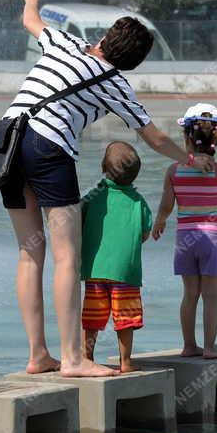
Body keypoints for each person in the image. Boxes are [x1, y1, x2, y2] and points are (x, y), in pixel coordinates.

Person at [0, 0, 214, 378]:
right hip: (48, 148)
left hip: (7, 142)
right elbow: (153, 138)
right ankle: (74, 359)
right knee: (67, 256)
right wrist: (190, 160)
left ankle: (37, 355)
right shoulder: (115, 82)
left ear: (103, 36)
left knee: (29, 253)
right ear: (132, 63)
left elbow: (30, 19)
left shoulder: (65, 43)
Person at [152, 103, 217, 358]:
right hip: (211, 239)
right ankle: (209, 348)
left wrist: (160, 221)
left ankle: (188, 345)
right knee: (212, 296)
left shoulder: (174, 170)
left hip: (185, 238)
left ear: (186, 137)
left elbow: (166, 204)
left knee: (190, 294)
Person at [80, 142, 151, 373]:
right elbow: (145, 233)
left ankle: (86, 357)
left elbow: (76, 221)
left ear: (103, 167)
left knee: (92, 317)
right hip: (125, 272)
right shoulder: (139, 202)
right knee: (126, 318)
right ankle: (126, 362)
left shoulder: (92, 197)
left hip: (96, 269)